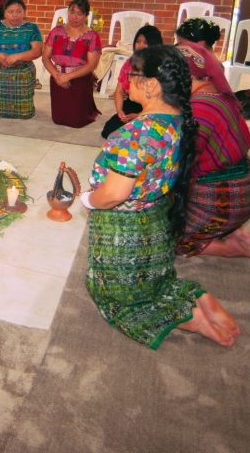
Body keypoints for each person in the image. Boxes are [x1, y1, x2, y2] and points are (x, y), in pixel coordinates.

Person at [80, 44, 239, 349]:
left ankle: (193, 320)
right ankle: (199, 300)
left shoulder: (135, 134)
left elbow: (114, 194)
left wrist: (88, 200)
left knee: (115, 298)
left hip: (123, 233)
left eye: (132, 74)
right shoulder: (180, 122)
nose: (126, 80)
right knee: (155, 282)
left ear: (151, 85)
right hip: (154, 226)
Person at [176, 43, 250, 257]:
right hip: (243, 191)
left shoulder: (200, 108)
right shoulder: (219, 95)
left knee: (162, 240)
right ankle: (231, 229)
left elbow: (179, 167)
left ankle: (227, 247)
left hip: (224, 199)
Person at [0, 0, 43, 119]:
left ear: (24, 12)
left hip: (22, 69)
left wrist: (17, 56)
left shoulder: (31, 27)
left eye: (19, 11)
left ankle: (22, 111)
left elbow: (37, 51)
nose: (15, 15)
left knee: (24, 114)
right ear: (4, 12)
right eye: (11, 12)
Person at [41, 0, 102, 128]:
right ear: (67, 12)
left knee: (76, 122)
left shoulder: (92, 36)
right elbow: (45, 57)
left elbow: (92, 65)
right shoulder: (56, 31)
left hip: (79, 79)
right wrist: (57, 75)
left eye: (79, 14)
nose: (74, 17)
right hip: (57, 79)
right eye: (72, 12)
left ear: (86, 16)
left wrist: (67, 76)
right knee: (58, 119)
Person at [101, 25, 163, 139]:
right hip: (132, 103)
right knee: (109, 130)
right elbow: (119, 91)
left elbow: (162, 102)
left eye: (145, 42)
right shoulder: (130, 63)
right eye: (138, 41)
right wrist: (120, 111)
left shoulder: (160, 66)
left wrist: (140, 116)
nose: (140, 45)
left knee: (146, 133)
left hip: (153, 107)